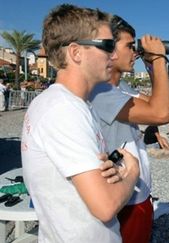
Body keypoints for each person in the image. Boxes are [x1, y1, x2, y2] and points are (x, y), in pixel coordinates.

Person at [21, 4, 140, 242]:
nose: (113, 55)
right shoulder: (63, 110)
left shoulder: (73, 104)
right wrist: (132, 172)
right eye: (107, 46)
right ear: (76, 53)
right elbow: (105, 206)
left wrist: (112, 173)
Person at [89, 15, 169, 242]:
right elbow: (161, 114)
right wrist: (158, 59)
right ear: (109, 49)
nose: (135, 52)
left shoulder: (121, 87)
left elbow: (166, 107)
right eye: (129, 46)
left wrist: (154, 66)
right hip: (123, 195)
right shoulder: (100, 92)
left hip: (137, 192)